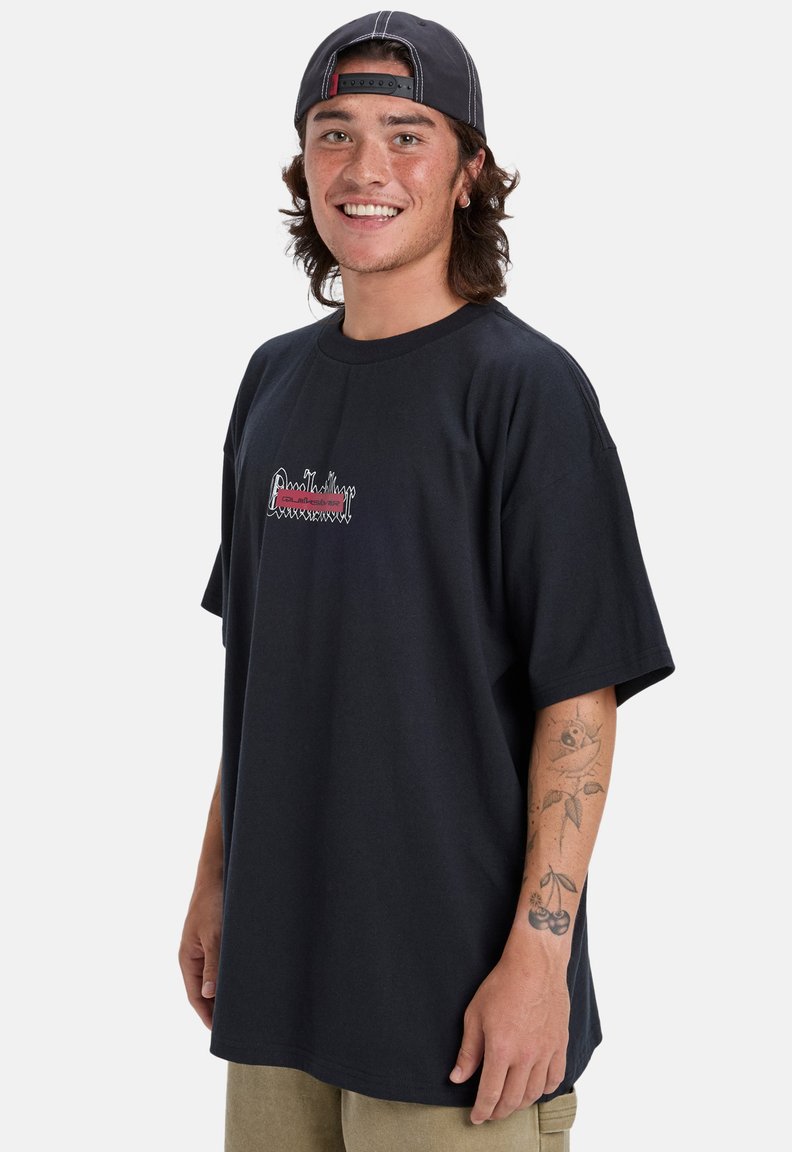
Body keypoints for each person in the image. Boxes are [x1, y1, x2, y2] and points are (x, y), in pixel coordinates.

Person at [178, 12, 675, 1151]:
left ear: (469, 172)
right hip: (279, 985)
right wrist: (217, 880)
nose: (366, 168)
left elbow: (580, 697)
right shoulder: (271, 383)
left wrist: (538, 960)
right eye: (335, 132)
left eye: (407, 135)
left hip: (458, 1013)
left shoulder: (525, 390)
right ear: (302, 164)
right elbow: (263, 666)